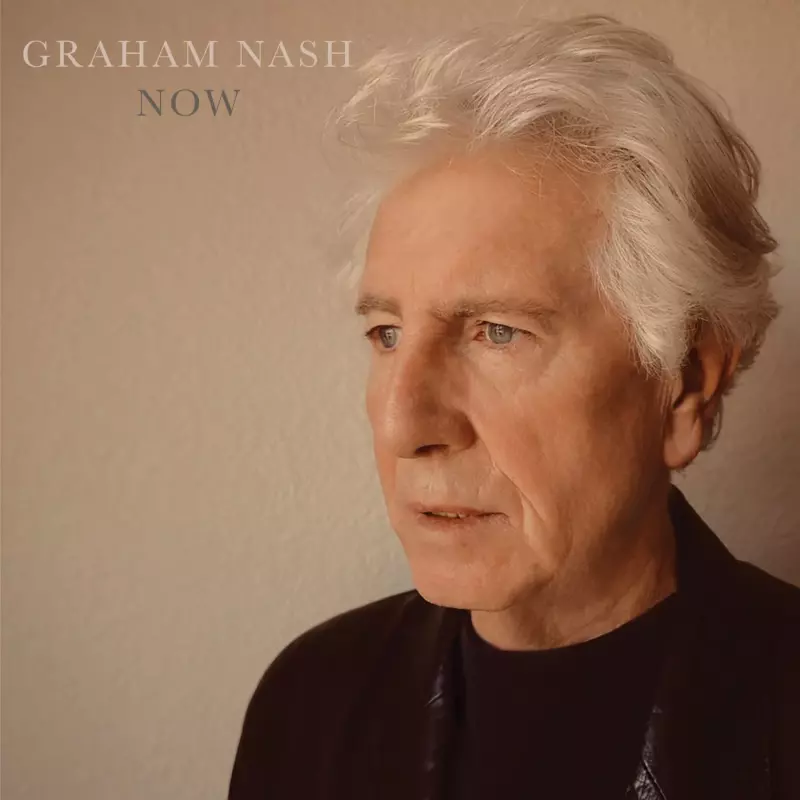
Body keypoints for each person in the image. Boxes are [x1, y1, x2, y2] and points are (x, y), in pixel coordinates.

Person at [228, 14, 799, 800]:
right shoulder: (309, 703)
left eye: (498, 332)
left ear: (684, 386)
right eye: (387, 333)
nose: (402, 425)